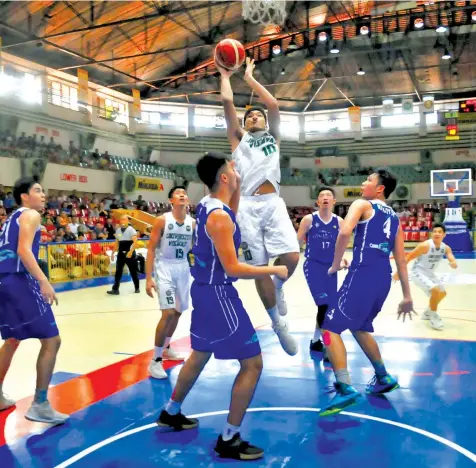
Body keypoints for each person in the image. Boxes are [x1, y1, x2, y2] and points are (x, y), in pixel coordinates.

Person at [156, 152, 288, 461]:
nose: (235, 168)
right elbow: (233, 268)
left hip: (204, 291)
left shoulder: (208, 206)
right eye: (231, 167)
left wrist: (237, 184)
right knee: (253, 364)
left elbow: (232, 209)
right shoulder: (219, 217)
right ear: (224, 177)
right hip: (219, 295)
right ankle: (229, 437)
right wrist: (273, 270)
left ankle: (171, 411)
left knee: (200, 354)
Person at [218, 57, 299, 356]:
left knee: (291, 256)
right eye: (249, 116)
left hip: (273, 202)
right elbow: (228, 106)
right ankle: (278, 324)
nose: (253, 117)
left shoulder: (274, 138)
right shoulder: (238, 140)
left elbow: (274, 105)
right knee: (259, 268)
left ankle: (279, 290)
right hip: (247, 207)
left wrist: (249, 78)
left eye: (257, 115)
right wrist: (225, 76)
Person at [319, 169, 416, 417]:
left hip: (362, 274)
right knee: (360, 326)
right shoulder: (394, 217)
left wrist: (335, 262)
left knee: (329, 329)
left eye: (369, 180)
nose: (364, 183)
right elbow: (402, 260)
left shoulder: (362, 204)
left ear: (380, 188)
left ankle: (345, 387)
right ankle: (382, 376)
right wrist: (407, 295)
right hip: (382, 278)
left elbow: (344, 232)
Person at [0, 177, 68, 424]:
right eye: (37, 190)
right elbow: (23, 250)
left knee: (12, 340)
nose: (43, 194)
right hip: (20, 280)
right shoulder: (30, 215)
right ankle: (40, 403)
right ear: (24, 197)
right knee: (52, 340)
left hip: (3, 281)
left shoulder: (11, 218)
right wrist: (43, 280)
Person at [145, 186, 195, 379]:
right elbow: (150, 249)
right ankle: (155, 361)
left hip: (183, 268)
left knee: (178, 312)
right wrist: (149, 278)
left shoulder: (193, 223)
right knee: (167, 313)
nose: (182, 194)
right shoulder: (163, 220)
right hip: (164, 267)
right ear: (171, 200)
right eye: (177, 193)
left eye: (184, 192)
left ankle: (166, 348)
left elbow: (198, 249)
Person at [297, 187, 347, 357]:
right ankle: (328, 346)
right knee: (324, 305)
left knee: (327, 307)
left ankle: (315, 340)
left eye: (329, 195)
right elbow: (296, 244)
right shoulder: (308, 220)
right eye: (322, 196)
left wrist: (341, 260)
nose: (325, 198)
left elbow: (340, 246)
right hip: (313, 266)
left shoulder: (339, 222)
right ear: (317, 201)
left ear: (334, 201)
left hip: (331, 269)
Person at [393, 224, 457, 330]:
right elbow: (408, 257)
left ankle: (427, 313)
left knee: (442, 293)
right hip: (418, 272)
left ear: (444, 234)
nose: (436, 233)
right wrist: (398, 272)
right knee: (435, 290)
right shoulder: (425, 245)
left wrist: (453, 262)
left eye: (439, 232)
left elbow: (451, 256)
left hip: (429, 274)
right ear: (431, 233)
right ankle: (433, 317)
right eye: (434, 231)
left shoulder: (445, 248)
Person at [107, 215, 140, 295]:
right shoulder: (118, 231)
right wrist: (112, 253)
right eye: (121, 219)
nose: (122, 221)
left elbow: (135, 242)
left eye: (124, 219)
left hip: (130, 253)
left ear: (127, 221)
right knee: (118, 271)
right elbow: (117, 242)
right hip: (121, 253)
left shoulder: (131, 230)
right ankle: (115, 289)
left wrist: (131, 251)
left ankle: (137, 287)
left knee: (133, 271)